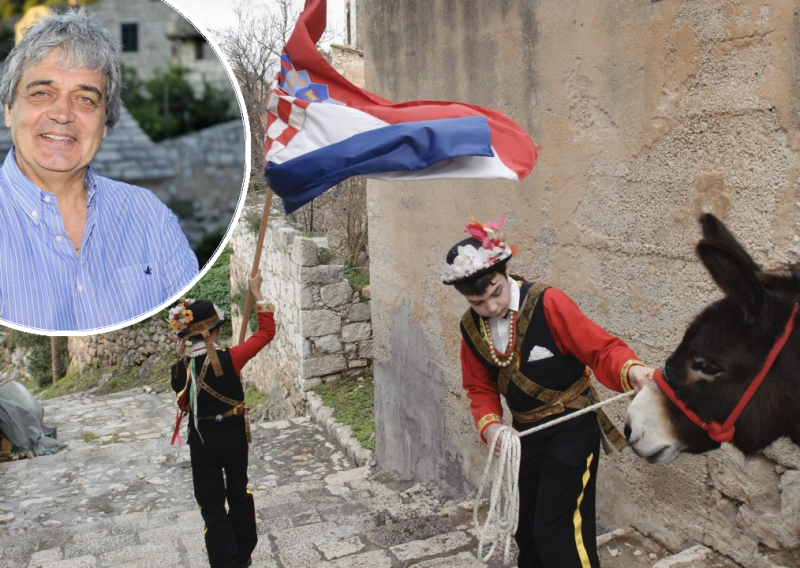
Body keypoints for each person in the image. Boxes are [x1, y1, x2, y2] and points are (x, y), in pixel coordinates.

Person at [442, 215, 654, 568]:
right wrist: (492, 428)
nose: (492, 307)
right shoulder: (470, 329)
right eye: (479, 303)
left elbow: (600, 350)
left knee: (559, 536)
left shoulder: (548, 302)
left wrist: (633, 370)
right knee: (528, 535)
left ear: (506, 272)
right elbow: (478, 387)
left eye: (496, 292)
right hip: (525, 436)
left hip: (573, 430)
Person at [0, 9, 198, 332]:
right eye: (41, 93)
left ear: (105, 123)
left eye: (85, 99)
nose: (62, 113)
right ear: (9, 109)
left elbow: (191, 323)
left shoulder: (150, 218)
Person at [170, 274, 275, 568]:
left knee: (211, 504)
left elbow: (183, 403)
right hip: (232, 438)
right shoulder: (232, 358)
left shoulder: (179, 370)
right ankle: (242, 553)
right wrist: (256, 294)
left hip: (201, 441)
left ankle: (225, 561)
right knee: (238, 492)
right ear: (214, 331)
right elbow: (266, 332)